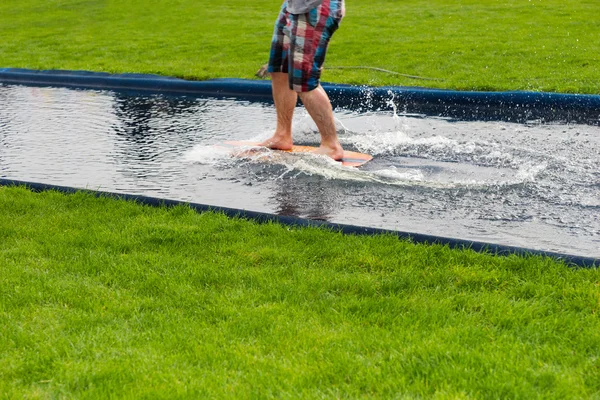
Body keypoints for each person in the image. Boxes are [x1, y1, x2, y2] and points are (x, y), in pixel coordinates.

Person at [260, 0, 345, 160]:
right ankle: (282, 135)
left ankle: (331, 145)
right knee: (280, 69)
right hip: (292, 6)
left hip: (315, 7)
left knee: (304, 80)